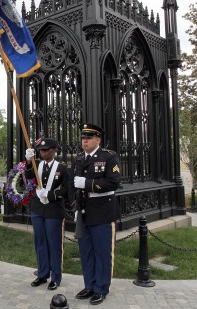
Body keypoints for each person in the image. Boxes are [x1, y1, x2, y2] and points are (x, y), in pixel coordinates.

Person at [71, 123, 121, 305]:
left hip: (102, 213)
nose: (84, 141)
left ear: (98, 140)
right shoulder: (78, 159)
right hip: (84, 212)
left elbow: (114, 182)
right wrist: (75, 207)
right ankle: (89, 285)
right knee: (86, 252)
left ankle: (101, 288)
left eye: (89, 138)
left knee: (102, 253)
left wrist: (88, 183)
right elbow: (73, 185)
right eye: (83, 137)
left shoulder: (109, 157)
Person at [23, 138, 70, 291]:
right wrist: (29, 162)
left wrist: (49, 195)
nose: (42, 152)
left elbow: (67, 191)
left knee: (54, 243)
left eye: (46, 150)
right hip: (38, 209)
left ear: (54, 150)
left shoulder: (62, 168)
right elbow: (29, 177)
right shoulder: (37, 165)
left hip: (53, 210)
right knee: (40, 242)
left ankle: (56, 277)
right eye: (40, 150)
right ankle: (43, 274)